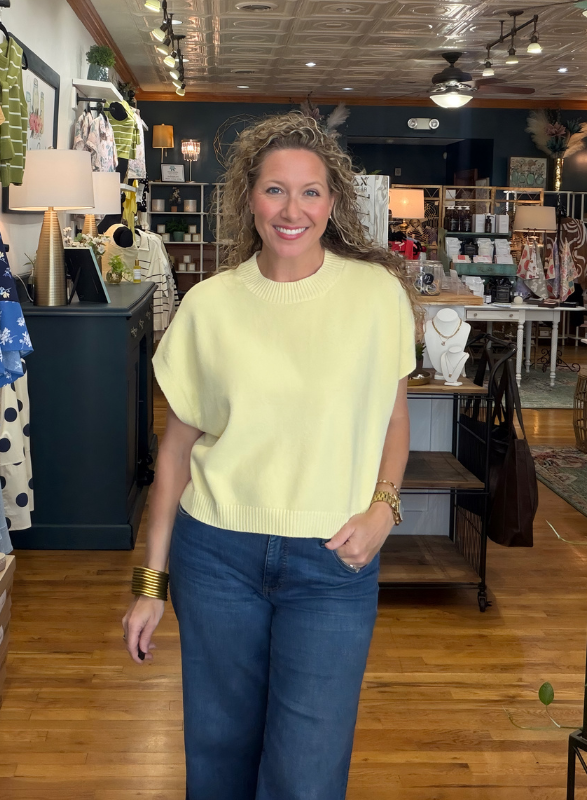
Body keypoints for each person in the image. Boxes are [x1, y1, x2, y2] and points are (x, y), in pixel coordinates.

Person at [122, 111, 420, 800]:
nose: (293, 209)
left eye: (310, 192)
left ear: (333, 203)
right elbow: (175, 452)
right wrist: (149, 587)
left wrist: (384, 510)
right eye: (275, 190)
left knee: (306, 775)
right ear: (248, 198)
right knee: (218, 759)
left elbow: (393, 418)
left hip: (332, 562)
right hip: (217, 557)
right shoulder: (211, 305)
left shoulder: (376, 296)